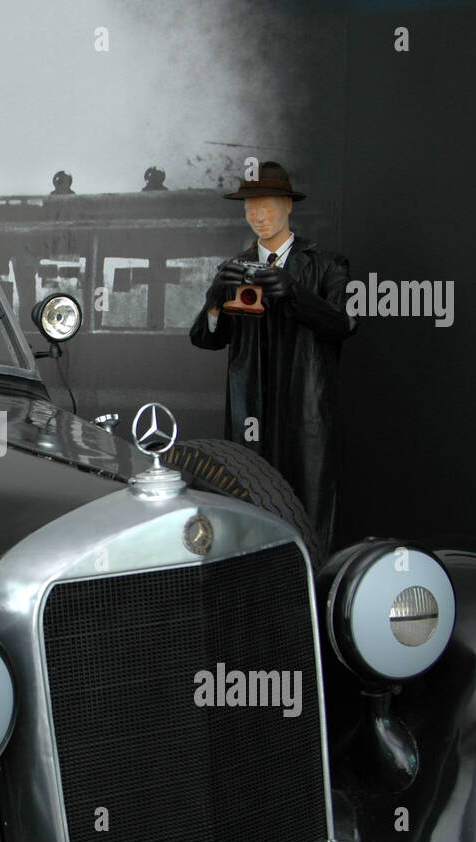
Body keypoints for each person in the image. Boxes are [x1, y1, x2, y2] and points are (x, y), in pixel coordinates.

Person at [188, 161, 355, 556]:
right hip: (250, 410)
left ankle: (311, 590)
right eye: (251, 209)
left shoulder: (328, 264)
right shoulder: (234, 266)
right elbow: (205, 339)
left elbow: (345, 323)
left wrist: (293, 292)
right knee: (247, 502)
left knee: (307, 502)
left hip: (305, 408)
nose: (258, 217)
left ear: (289, 206)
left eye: (267, 207)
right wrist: (215, 303)